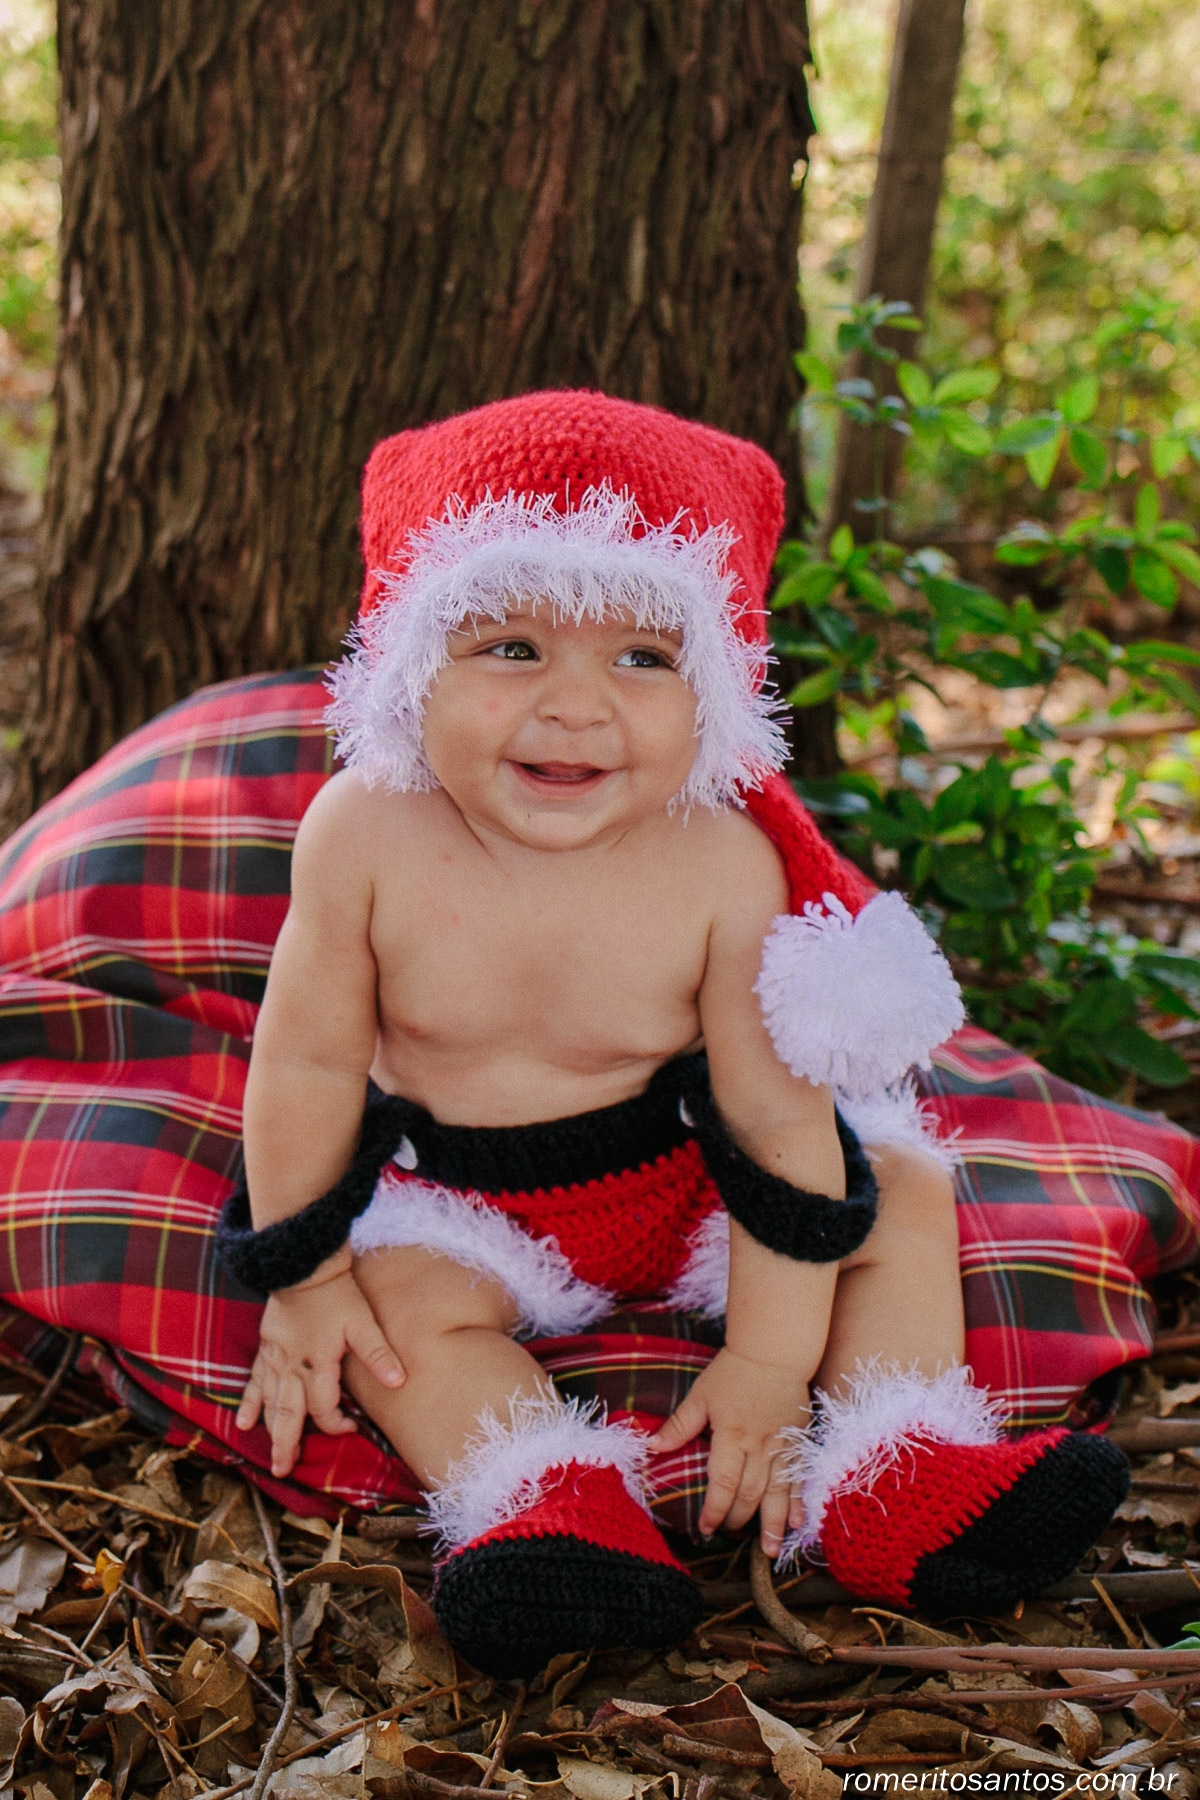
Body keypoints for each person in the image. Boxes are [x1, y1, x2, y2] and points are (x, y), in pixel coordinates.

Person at [218, 391, 1127, 1678]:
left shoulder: (719, 863)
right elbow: (306, 1063)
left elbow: (773, 1121)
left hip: (687, 1172)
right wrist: (300, 1278)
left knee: (902, 1195)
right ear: (412, 658)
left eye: (644, 658)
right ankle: (543, 1503)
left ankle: (897, 1468)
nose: (577, 708)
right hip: (467, 1199)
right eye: (511, 646)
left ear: (716, 686)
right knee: (397, 1313)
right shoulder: (363, 835)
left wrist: (768, 1360)